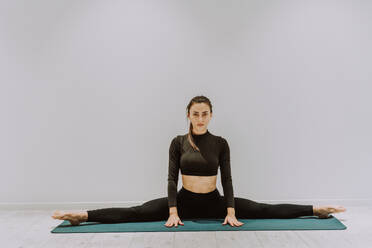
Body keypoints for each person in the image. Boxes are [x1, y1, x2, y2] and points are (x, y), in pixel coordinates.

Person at [52, 95, 346, 227]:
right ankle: (84, 215)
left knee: (261, 208)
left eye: (205, 113)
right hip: (183, 201)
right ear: (188, 115)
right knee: (138, 211)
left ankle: (315, 209)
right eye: (196, 113)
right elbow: (170, 179)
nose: (201, 117)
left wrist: (230, 211)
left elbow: (228, 180)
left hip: (215, 202)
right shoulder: (177, 143)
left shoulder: (220, 143)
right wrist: (171, 211)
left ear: (211, 115)